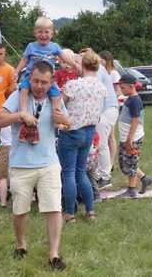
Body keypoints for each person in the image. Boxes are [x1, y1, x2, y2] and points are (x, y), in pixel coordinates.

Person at [0, 61, 71, 271]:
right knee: (20, 210)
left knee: (54, 208)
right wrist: (19, 115)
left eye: (44, 82)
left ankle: (54, 255)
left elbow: (68, 123)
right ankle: (21, 246)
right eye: (36, 81)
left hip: (49, 163)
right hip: (21, 164)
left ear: (51, 82)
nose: (39, 86)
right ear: (30, 78)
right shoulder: (19, 96)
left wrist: (65, 119)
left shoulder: (54, 99)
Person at [58, 49, 107, 222]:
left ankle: (70, 212)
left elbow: (58, 105)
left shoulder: (74, 85)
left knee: (68, 173)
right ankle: (90, 210)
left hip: (71, 132)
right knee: (81, 172)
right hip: (89, 132)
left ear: (82, 65)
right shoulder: (101, 87)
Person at [15, 17, 79, 143]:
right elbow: (24, 60)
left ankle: (56, 115)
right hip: (31, 76)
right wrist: (16, 71)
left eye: (46, 32)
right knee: (23, 88)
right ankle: (23, 110)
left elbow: (63, 56)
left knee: (56, 94)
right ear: (35, 33)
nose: (43, 35)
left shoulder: (54, 47)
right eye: (40, 32)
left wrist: (75, 64)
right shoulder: (31, 46)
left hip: (49, 79)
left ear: (52, 33)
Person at [116, 74, 152, 198]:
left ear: (131, 86)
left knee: (130, 163)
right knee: (125, 163)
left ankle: (132, 189)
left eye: (123, 87)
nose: (121, 90)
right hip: (126, 137)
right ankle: (144, 178)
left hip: (132, 138)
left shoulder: (135, 101)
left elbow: (136, 120)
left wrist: (129, 139)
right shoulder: (130, 99)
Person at [96, 51, 121, 189]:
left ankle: (105, 174)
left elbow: (116, 91)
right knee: (103, 140)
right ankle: (102, 172)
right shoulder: (100, 70)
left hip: (107, 109)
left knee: (103, 141)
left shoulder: (102, 71)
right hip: (104, 110)